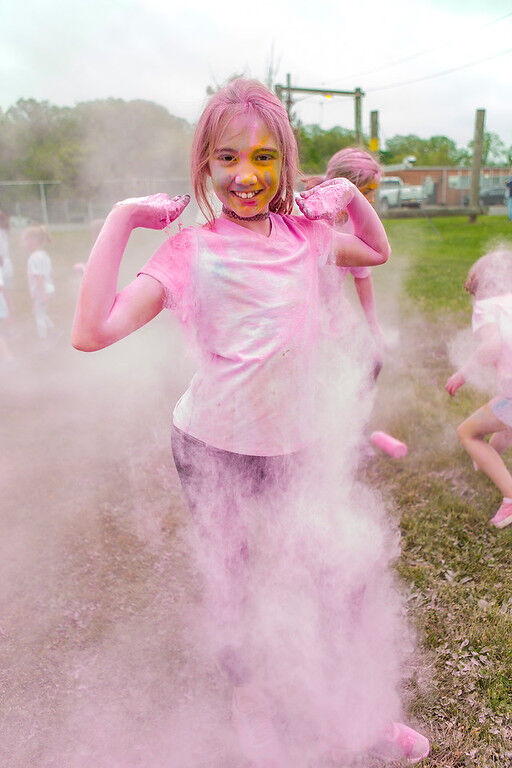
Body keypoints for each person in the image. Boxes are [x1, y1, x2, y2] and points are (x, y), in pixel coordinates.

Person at [72, 78, 428, 765]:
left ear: (286, 165)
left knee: (334, 580)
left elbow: (375, 253)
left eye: (265, 158)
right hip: (212, 448)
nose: (246, 175)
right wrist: (121, 217)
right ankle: (250, 710)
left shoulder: (306, 237)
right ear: (204, 165)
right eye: (227, 158)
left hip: (295, 447)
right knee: (233, 582)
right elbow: (92, 332)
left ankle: (356, 714)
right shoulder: (188, 251)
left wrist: (349, 195)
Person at [446, 245, 512, 528]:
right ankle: (489, 459)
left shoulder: (486, 307)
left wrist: (464, 373)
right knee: (506, 422)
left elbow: (493, 346)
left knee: (468, 433)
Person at [304, 147, 385, 369]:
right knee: (320, 371)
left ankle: (358, 404)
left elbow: (362, 277)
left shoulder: (356, 225)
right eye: (367, 191)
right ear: (347, 187)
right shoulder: (308, 215)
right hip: (302, 313)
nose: (371, 199)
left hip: (334, 309)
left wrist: (373, 324)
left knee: (371, 363)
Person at [24, 224, 55, 339]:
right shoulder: (44, 255)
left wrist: (42, 295)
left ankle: (44, 338)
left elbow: (39, 277)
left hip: (42, 292)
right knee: (40, 312)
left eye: (26, 240)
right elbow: (50, 273)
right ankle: (52, 331)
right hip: (49, 289)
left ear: (34, 241)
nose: (25, 243)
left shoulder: (34, 258)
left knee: (39, 316)